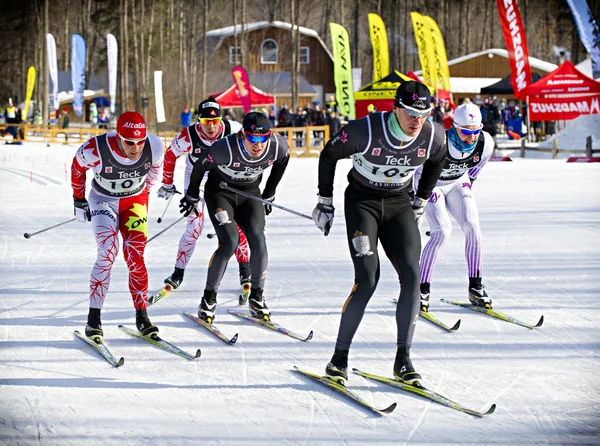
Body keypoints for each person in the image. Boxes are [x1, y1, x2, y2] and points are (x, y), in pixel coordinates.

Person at [312, 80, 446, 385]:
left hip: (399, 203)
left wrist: (421, 198)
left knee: (413, 275)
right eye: (411, 112)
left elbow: (438, 160)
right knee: (368, 279)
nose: (417, 120)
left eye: (424, 113)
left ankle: (403, 359)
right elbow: (329, 154)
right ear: (396, 107)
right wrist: (325, 202)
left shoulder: (433, 134)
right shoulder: (365, 130)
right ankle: (339, 358)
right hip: (363, 203)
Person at [179, 111, 290, 323]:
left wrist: (269, 193)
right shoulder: (223, 149)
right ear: (242, 135)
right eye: (253, 138)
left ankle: (257, 298)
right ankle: (208, 299)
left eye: (263, 138)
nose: (258, 144)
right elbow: (200, 165)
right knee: (230, 241)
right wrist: (192, 194)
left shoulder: (278, 146)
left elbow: (282, 161)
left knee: (258, 240)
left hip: (249, 194)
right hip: (220, 193)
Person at [71, 111, 164, 340]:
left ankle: (142, 316)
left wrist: (145, 193)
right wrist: (79, 199)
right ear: (118, 136)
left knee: (136, 256)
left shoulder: (155, 146)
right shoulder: (96, 148)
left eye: (140, 141)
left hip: (134, 201)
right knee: (107, 252)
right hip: (103, 200)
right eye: (129, 142)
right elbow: (77, 167)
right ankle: (93, 318)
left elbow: (154, 172)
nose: (136, 148)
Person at [157, 97, 252, 300]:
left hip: (223, 179)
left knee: (234, 224)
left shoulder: (233, 128)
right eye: (206, 122)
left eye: (215, 121)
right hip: (196, 181)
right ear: (198, 120)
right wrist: (167, 183)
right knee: (194, 227)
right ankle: (177, 273)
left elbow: (252, 145)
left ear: (221, 118)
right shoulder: (189, 135)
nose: (211, 127)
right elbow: (170, 155)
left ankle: (245, 272)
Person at [416, 103, 494, 311]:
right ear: (455, 127)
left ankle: (475, 287)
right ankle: (421, 290)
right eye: (466, 131)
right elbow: (417, 170)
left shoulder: (486, 143)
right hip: (431, 184)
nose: (471, 136)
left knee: (473, 226)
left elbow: (475, 171)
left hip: (457, 182)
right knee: (442, 232)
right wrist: (417, 203)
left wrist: (465, 189)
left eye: (476, 131)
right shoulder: (439, 141)